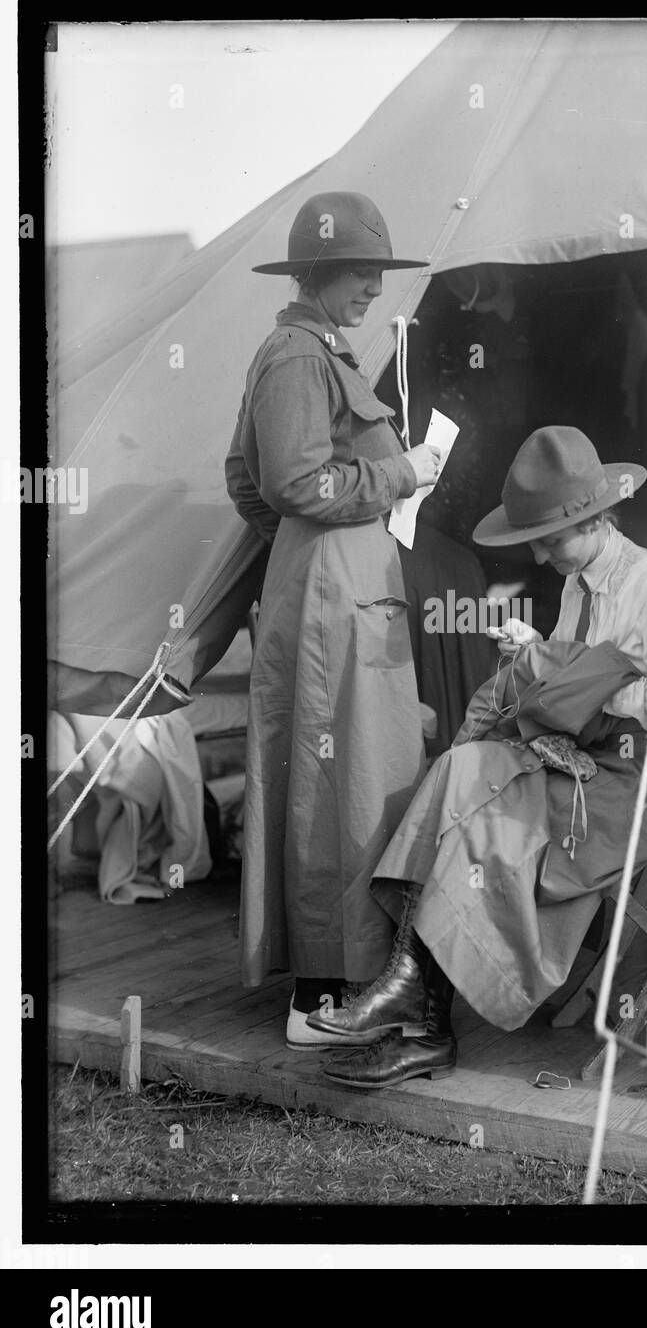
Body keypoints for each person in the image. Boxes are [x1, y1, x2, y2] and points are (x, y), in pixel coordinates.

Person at [308, 425, 647, 1087]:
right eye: (536, 539)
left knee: (483, 820)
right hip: (594, 762)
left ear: (597, 517)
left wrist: (582, 680)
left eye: (553, 538)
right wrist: (548, 663)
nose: (541, 551)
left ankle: (419, 1020)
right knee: (456, 770)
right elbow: (566, 679)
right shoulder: (580, 580)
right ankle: (412, 999)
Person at [224, 191, 441, 1049]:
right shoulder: (294, 358)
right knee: (327, 792)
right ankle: (319, 1000)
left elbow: (254, 483)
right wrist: (403, 475)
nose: (373, 290)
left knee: (351, 786)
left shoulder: (315, 353)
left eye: (377, 274)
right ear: (317, 274)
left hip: (340, 595)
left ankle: (348, 981)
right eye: (360, 273)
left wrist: (311, 550)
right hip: (331, 609)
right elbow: (287, 484)